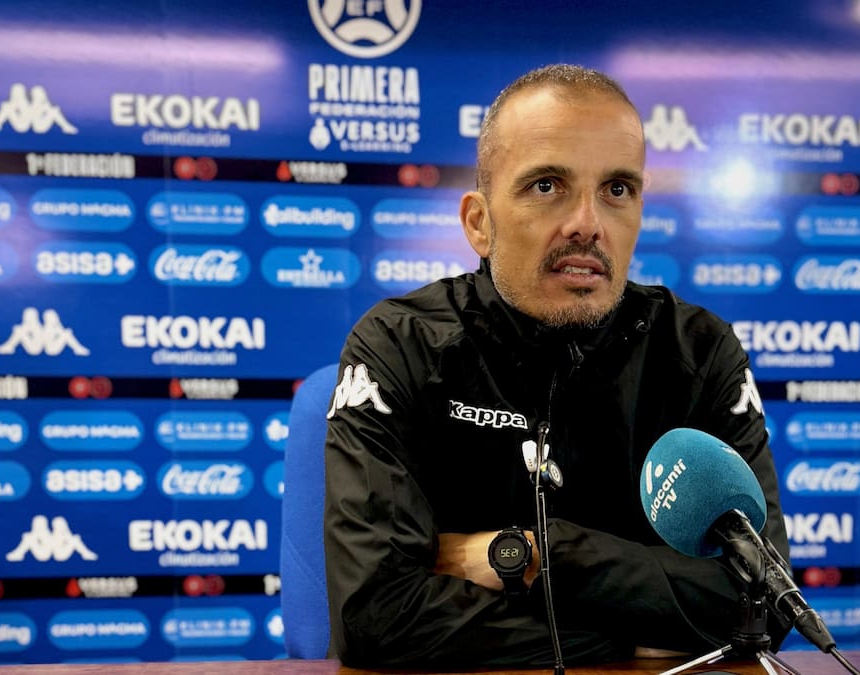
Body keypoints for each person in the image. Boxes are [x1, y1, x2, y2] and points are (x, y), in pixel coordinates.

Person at [323, 64, 790, 667]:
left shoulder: (699, 353)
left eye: (617, 190)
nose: (588, 225)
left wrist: (539, 553)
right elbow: (377, 615)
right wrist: (625, 636)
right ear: (479, 222)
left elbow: (763, 606)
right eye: (547, 186)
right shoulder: (400, 345)